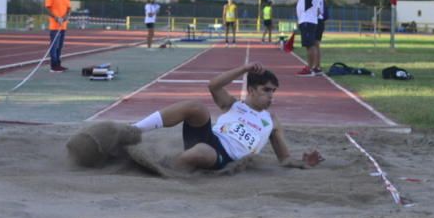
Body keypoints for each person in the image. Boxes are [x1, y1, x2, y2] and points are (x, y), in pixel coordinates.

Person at [131, 61, 324, 172]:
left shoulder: (271, 120)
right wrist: (244, 69)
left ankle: (163, 172)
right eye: (266, 90)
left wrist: (303, 163)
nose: (271, 96)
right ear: (251, 90)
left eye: (273, 91)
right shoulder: (233, 105)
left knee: (200, 153)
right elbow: (213, 85)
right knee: (196, 107)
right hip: (209, 138)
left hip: (224, 156)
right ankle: (133, 130)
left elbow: (284, 159)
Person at [281, 0, 323, 76]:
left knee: (310, 46)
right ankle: (313, 67)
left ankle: (309, 68)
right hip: (308, 21)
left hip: (308, 21)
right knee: (312, 45)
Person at [44, 0, 71, 72]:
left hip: (63, 26)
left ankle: (58, 64)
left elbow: (68, 8)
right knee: (54, 46)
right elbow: (47, 8)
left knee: (60, 46)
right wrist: (56, 17)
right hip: (54, 26)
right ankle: (53, 66)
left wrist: (66, 16)